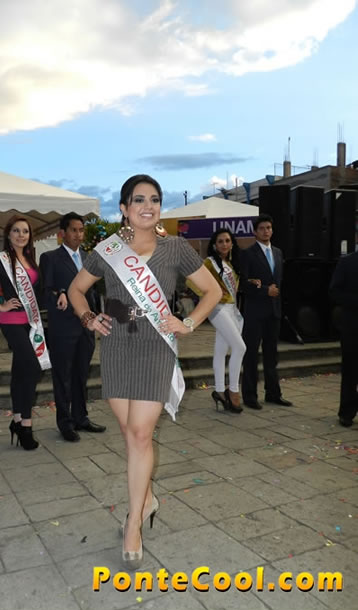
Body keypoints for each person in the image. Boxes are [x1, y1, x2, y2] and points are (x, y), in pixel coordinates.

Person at [68, 174, 221, 569]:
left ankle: (133, 522)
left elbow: (214, 291)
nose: (147, 206)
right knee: (129, 433)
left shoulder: (176, 248)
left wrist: (188, 323)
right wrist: (88, 318)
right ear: (124, 208)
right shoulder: (108, 250)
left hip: (156, 346)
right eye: (138, 199)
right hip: (117, 345)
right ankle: (147, 498)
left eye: (154, 199)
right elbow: (75, 290)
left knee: (140, 433)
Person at [0, 216, 50, 451]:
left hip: (31, 323)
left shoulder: (30, 259)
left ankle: (16, 421)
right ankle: (25, 425)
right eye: (16, 231)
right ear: (8, 234)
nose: (21, 235)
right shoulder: (2, 260)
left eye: (25, 231)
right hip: (12, 322)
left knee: (20, 372)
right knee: (33, 368)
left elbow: (39, 292)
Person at [39, 213, 106, 442]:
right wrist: (60, 294)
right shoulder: (50, 258)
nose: (78, 234)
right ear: (63, 233)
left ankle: (81, 418)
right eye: (74, 230)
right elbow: (45, 291)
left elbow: (93, 291)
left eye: (81, 230)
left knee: (81, 374)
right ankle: (65, 423)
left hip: (86, 327)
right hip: (63, 327)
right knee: (63, 377)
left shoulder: (89, 258)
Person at [188, 228, 246, 413]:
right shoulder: (209, 263)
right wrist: (208, 297)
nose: (224, 244)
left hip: (231, 309)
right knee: (240, 347)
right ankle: (234, 391)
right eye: (220, 241)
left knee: (220, 351)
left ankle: (220, 391)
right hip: (217, 309)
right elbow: (191, 281)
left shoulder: (231, 263)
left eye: (227, 240)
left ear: (232, 243)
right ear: (214, 245)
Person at [240, 215, 293, 409]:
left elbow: (279, 281)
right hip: (254, 313)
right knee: (251, 355)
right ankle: (250, 396)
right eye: (262, 228)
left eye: (269, 228)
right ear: (255, 232)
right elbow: (243, 284)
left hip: (274, 312)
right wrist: (264, 290)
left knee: (272, 355)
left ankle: (273, 393)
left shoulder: (278, 253)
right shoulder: (248, 254)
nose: (266, 231)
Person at [329, 250, 358, 427]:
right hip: (352, 326)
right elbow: (334, 291)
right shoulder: (347, 262)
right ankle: (347, 412)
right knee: (350, 371)